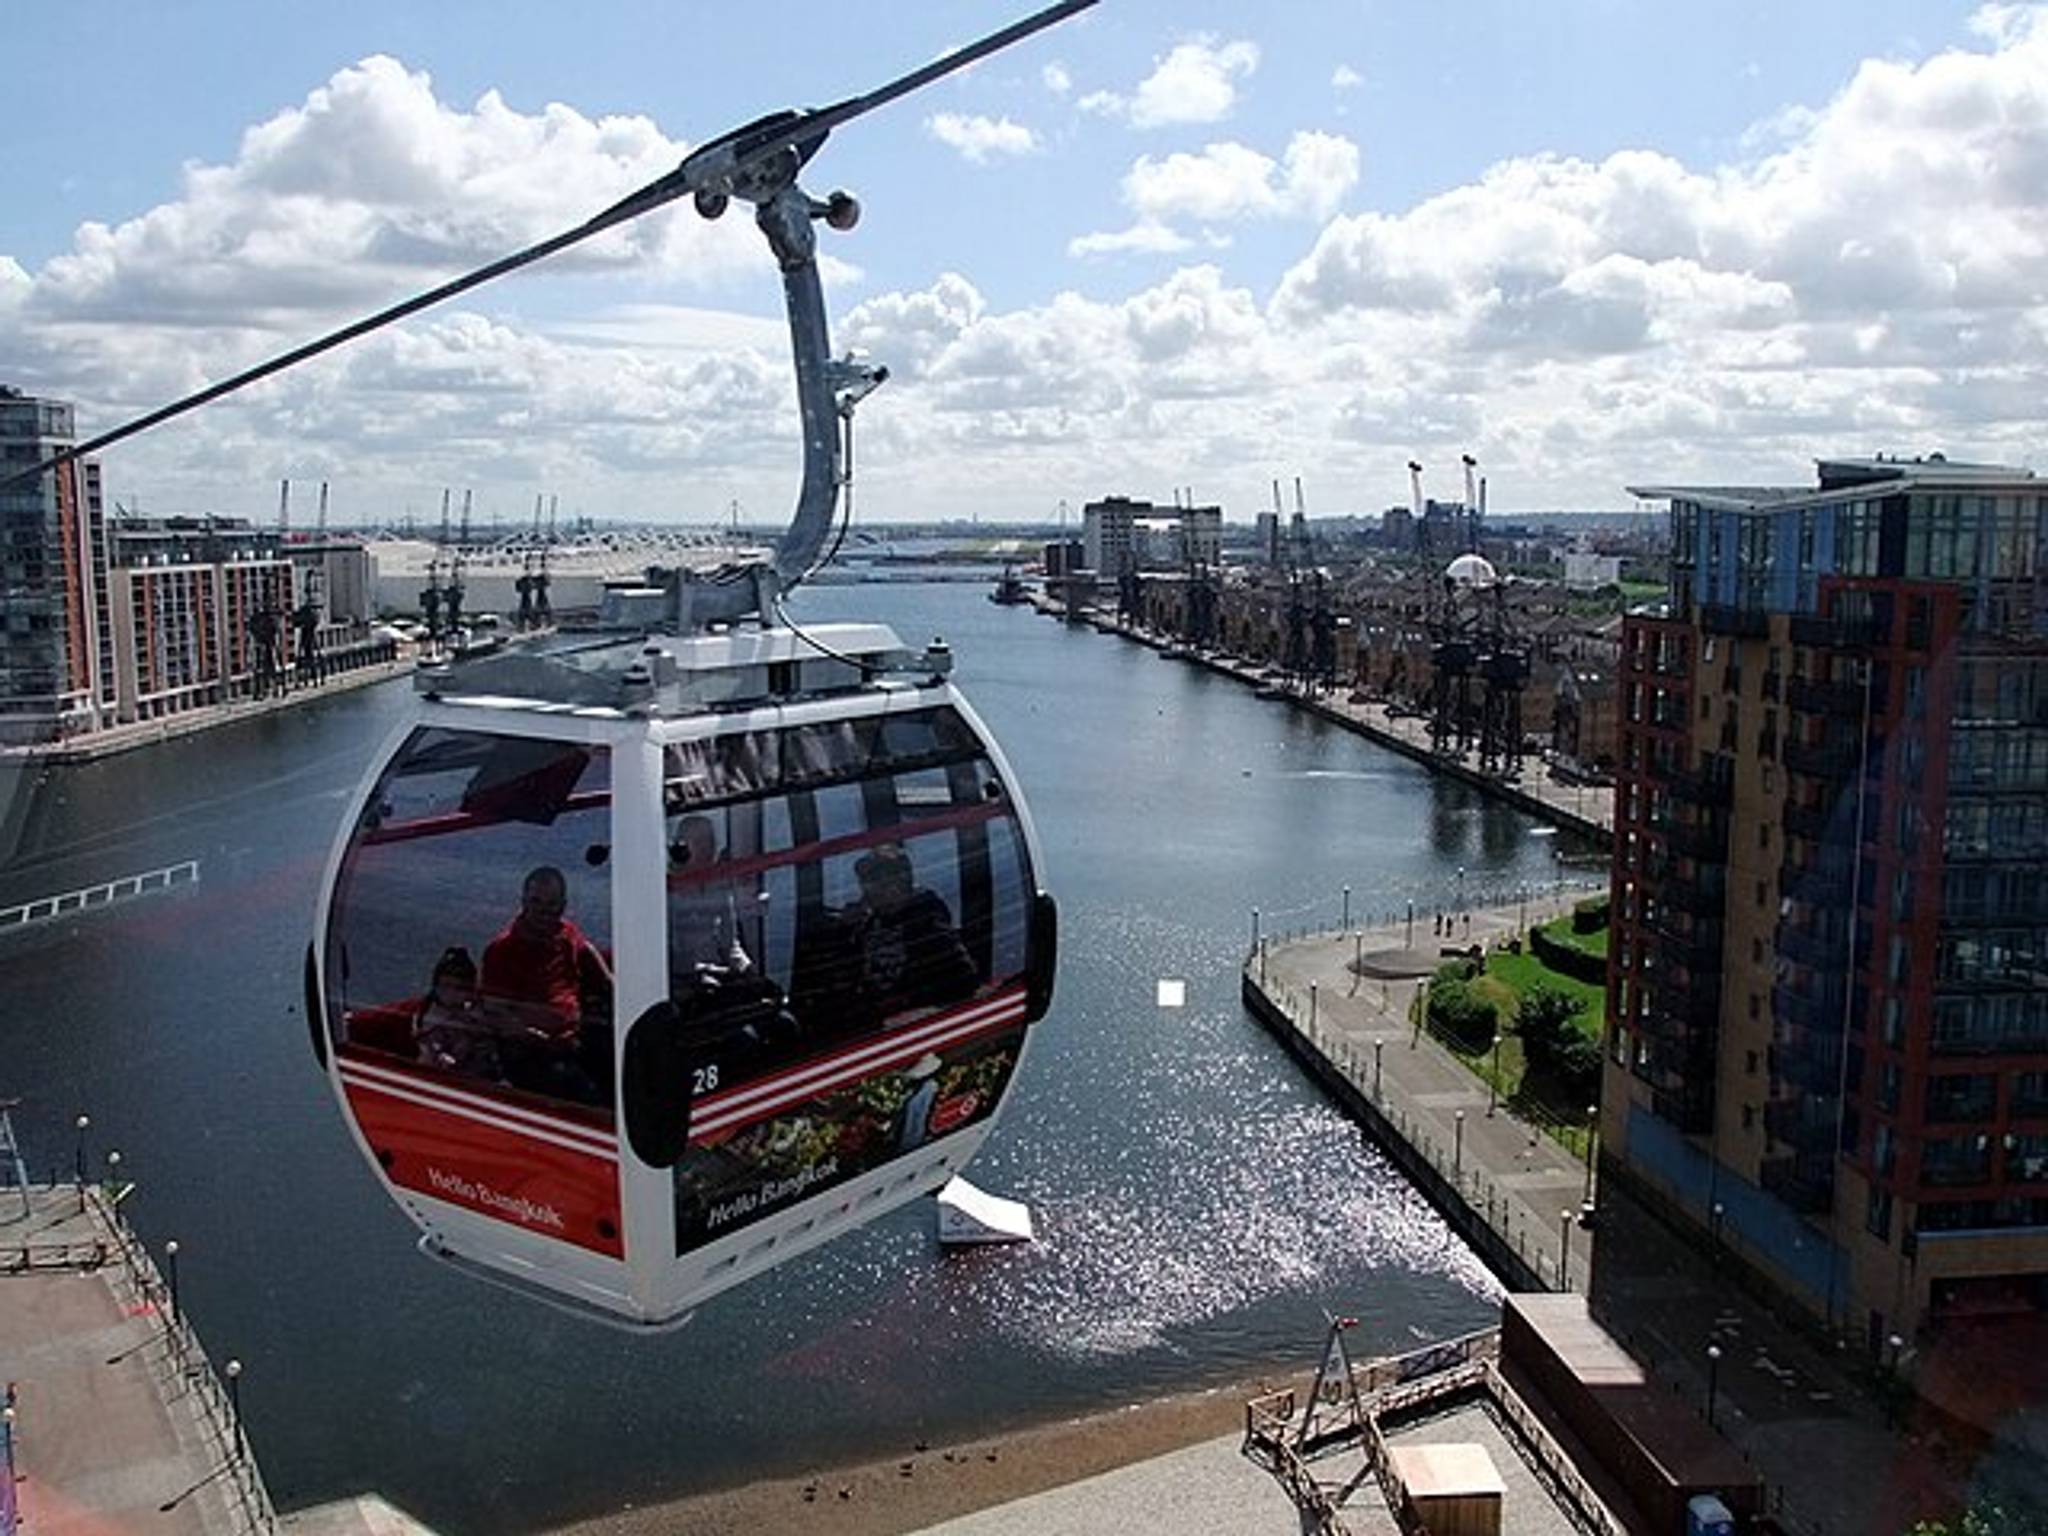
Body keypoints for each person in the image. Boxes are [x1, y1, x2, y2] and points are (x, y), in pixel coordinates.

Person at [481, 866, 613, 1102]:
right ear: (524, 902)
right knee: (590, 1099)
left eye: (551, 904)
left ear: (562, 905)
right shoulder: (502, 950)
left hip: (575, 1038)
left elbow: (590, 957)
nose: (543, 911)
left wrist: (618, 990)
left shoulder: (567, 934)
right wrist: (538, 1037)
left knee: (625, 1073)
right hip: (532, 1052)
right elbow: (496, 1013)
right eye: (536, 902)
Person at [845, 843, 977, 1024]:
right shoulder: (865, 926)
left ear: (901, 883)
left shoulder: (927, 921)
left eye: (880, 880)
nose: (870, 890)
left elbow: (963, 983)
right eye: (867, 882)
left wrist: (909, 1010)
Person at [668, 815, 752, 979]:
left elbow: (731, 946)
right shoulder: (668, 892)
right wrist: (704, 971)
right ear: (681, 848)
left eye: (710, 841)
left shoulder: (719, 886)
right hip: (681, 981)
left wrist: (748, 970)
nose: (707, 848)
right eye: (699, 842)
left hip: (719, 974)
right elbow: (666, 954)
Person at [412, 946, 500, 1082]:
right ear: (436, 986)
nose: (451, 993)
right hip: (433, 1072)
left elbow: (490, 1046)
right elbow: (427, 1040)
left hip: (476, 1077)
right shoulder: (428, 1013)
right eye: (445, 986)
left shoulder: (479, 1013)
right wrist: (440, 1054)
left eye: (459, 988)